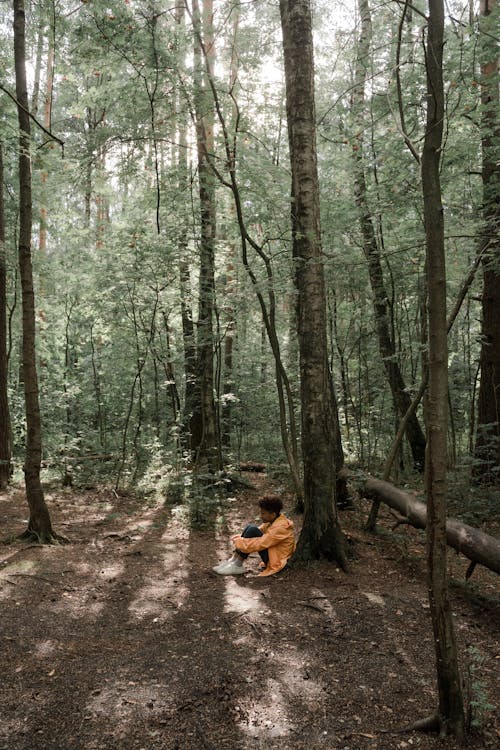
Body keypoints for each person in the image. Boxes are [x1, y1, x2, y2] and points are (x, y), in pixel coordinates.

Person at [212, 494, 295, 576]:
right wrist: (240, 539)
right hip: (272, 554)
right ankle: (233, 561)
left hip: (276, 561)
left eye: (263, 513)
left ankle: (238, 564)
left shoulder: (280, 528)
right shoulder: (275, 521)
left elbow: (260, 543)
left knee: (252, 529)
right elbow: (256, 532)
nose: (261, 516)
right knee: (250, 527)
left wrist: (240, 542)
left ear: (273, 514)